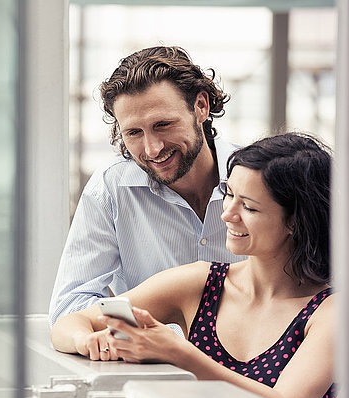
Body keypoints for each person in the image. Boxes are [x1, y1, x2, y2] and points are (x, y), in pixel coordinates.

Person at [51, 133, 335, 398]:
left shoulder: (331, 311)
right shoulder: (202, 283)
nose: (227, 214)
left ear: (295, 221)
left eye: (249, 207)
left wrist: (181, 354)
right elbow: (70, 323)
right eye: (229, 193)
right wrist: (87, 341)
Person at [49, 46, 245, 326]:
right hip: (155, 367)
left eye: (163, 124)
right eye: (133, 133)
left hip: (264, 366)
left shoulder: (265, 178)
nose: (152, 149)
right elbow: (70, 307)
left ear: (201, 106)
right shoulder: (110, 188)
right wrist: (168, 339)